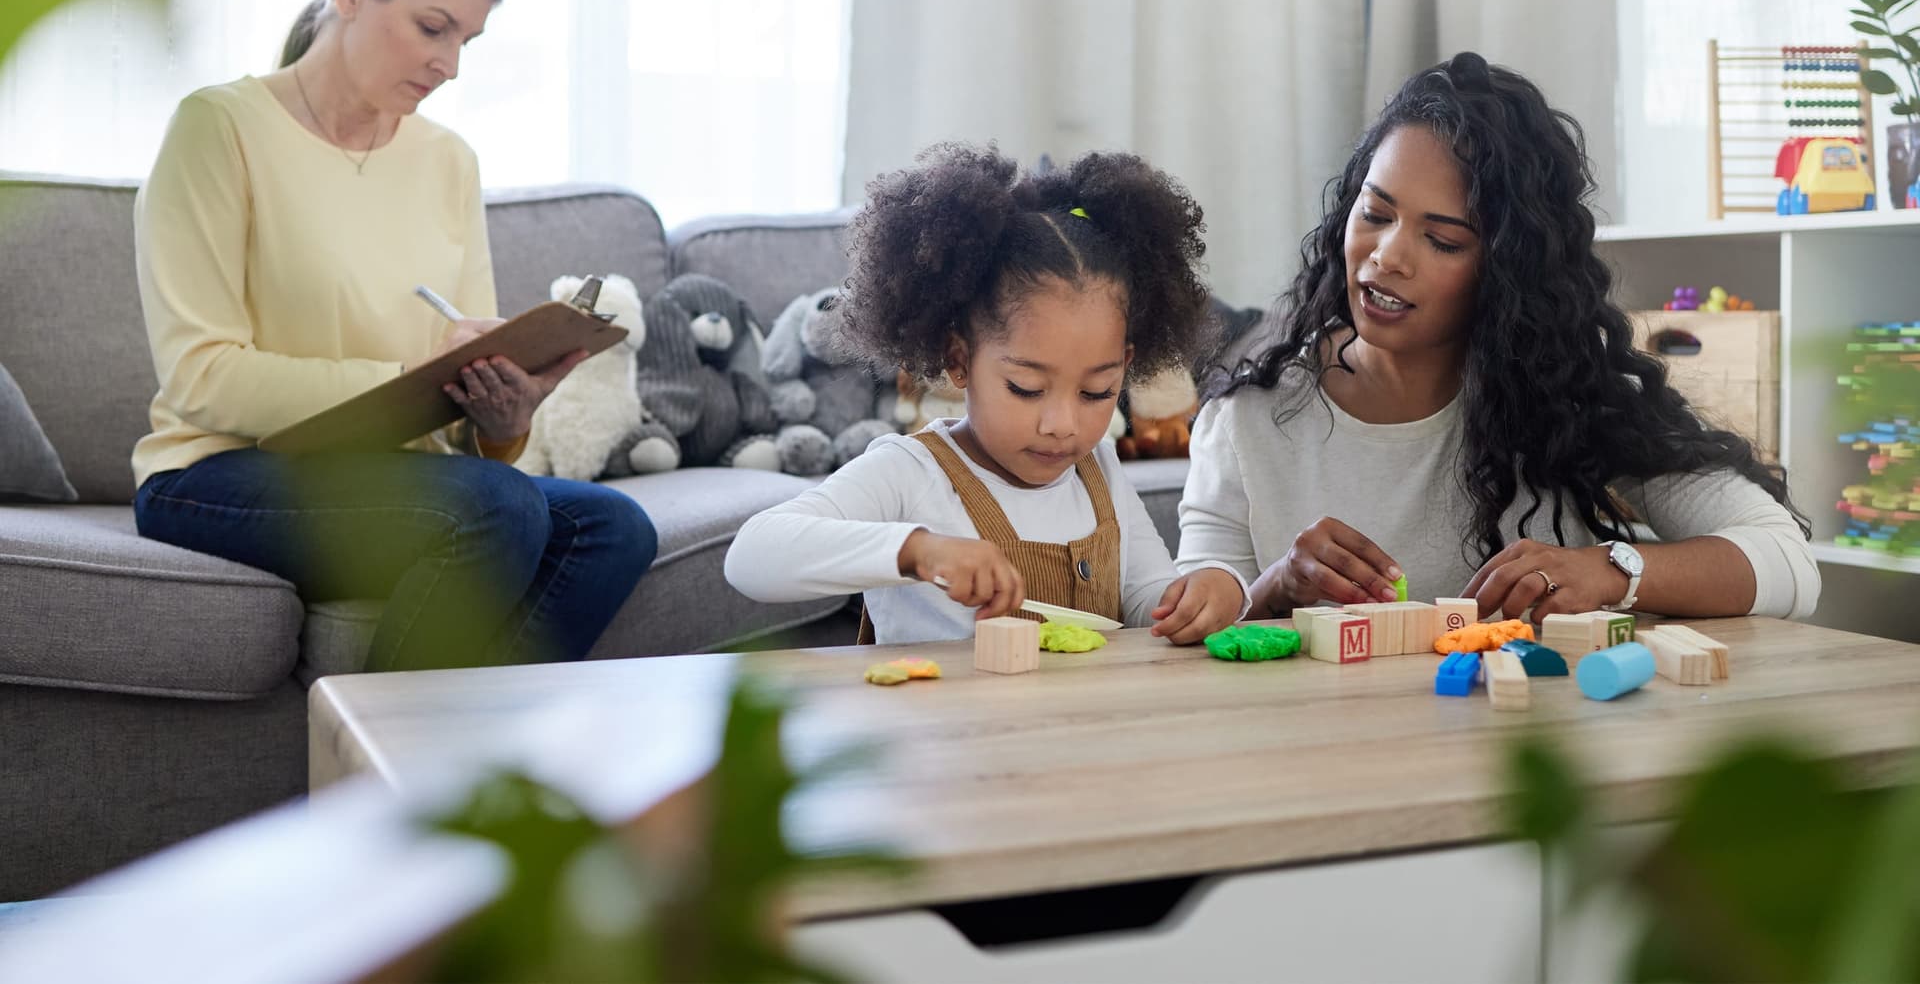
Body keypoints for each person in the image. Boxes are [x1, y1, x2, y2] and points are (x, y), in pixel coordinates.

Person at [132, 0, 655, 671]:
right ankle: (378, 766)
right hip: (217, 471)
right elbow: (201, 375)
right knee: (498, 509)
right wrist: (404, 376)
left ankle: (463, 770)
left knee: (616, 528)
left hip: (388, 472)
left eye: (467, 40)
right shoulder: (219, 128)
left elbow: (460, 414)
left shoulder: (448, 160)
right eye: (432, 28)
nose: (449, 64)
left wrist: (503, 414)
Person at [1178, 52, 1819, 625]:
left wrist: (1611, 571)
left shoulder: (1568, 398)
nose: (1387, 257)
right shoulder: (1250, 416)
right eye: (1374, 214)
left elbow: (1788, 563)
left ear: (1509, 269)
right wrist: (1279, 586)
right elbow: (1191, 616)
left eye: (1443, 240)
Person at [724, 145, 1248, 644]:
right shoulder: (910, 473)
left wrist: (1211, 588)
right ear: (958, 361)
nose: (1062, 424)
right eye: (1026, 388)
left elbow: (1149, 602)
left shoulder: (1100, 471)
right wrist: (917, 552)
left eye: (1096, 391)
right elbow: (752, 555)